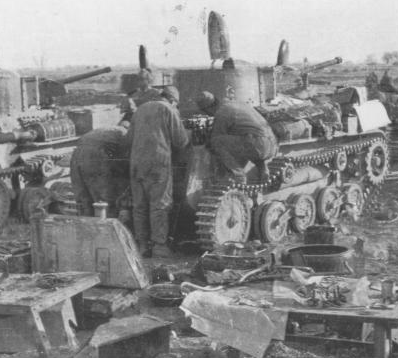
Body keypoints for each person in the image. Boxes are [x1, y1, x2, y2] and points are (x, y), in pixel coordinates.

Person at [129, 86, 188, 258]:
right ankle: (159, 246)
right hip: (158, 162)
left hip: (136, 163)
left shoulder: (140, 109)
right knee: (159, 204)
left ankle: (141, 244)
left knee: (139, 205)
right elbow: (181, 141)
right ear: (173, 100)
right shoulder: (168, 109)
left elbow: (129, 139)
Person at [195, 91, 277, 183]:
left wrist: (206, 142)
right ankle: (262, 169)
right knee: (244, 138)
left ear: (208, 108)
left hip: (257, 145)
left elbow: (216, 136)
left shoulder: (222, 112)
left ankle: (238, 176)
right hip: (271, 144)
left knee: (216, 141)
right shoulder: (237, 103)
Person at [70, 129, 131, 221]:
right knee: (105, 204)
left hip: (78, 152)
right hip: (98, 154)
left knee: (84, 203)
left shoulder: (116, 131)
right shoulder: (125, 135)